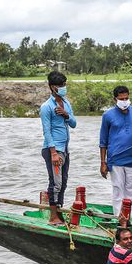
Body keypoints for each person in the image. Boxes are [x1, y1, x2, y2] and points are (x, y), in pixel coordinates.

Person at [99, 85, 132, 220]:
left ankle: (131, 215)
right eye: (121, 99)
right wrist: (103, 162)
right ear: (115, 99)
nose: (124, 101)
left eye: (126, 98)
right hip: (115, 158)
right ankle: (119, 216)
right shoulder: (107, 115)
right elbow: (103, 141)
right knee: (118, 188)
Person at [40, 70, 77, 226]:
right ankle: (53, 216)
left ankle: (59, 214)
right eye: (60, 85)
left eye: (64, 84)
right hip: (53, 150)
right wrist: (53, 152)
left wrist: (65, 114)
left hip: (65, 149)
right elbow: (46, 131)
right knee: (55, 183)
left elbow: (74, 124)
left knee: (64, 182)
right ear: (52, 87)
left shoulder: (66, 103)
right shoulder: (46, 107)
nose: (63, 87)